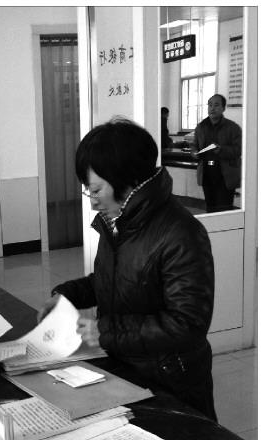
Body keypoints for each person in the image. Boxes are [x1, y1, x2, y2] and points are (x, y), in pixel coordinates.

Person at [38, 118, 217, 421]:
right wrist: (67, 296)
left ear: (128, 180)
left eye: (96, 190)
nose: (93, 203)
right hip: (126, 369)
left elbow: (187, 324)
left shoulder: (181, 233)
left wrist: (105, 331)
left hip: (170, 381)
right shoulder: (120, 221)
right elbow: (114, 280)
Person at [191, 94, 241, 212]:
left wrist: (222, 150)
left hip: (225, 175)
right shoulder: (201, 127)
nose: (212, 108)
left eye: (216, 105)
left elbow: (239, 150)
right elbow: (194, 145)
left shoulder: (233, 127)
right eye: (210, 105)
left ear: (223, 108)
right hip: (207, 173)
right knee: (210, 207)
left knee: (224, 209)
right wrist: (194, 152)